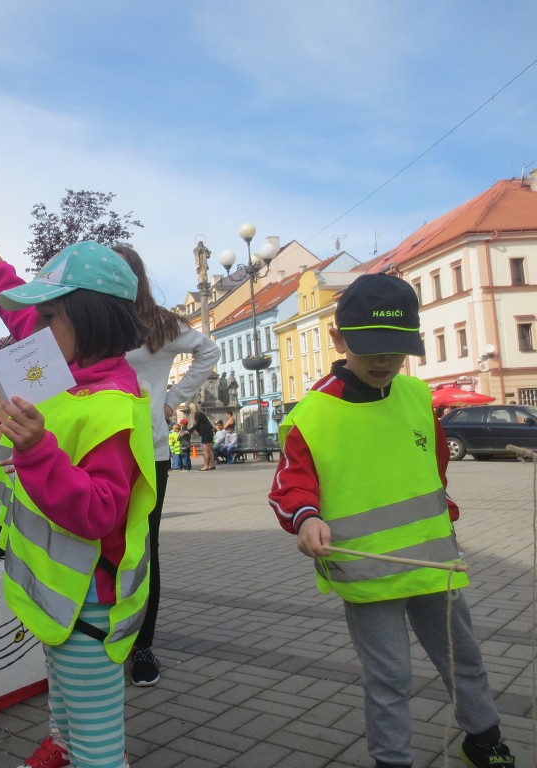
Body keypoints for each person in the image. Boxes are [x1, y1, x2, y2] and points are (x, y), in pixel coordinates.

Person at [268, 273, 513, 768]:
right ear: (338, 339)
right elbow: (289, 487)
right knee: (389, 679)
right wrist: (305, 518)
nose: (384, 361)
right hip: (367, 574)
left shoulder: (418, 397)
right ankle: (393, 761)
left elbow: (434, 468)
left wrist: (445, 515)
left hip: (432, 563)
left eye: (396, 350)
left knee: (462, 658)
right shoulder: (311, 415)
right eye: (370, 348)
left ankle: (483, 741)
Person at [0, 215, 155, 768]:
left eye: (51, 316)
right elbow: (20, 312)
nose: (34, 330)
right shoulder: (67, 365)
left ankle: (78, 752)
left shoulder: (110, 406)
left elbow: (98, 511)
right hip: (62, 601)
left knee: (100, 747)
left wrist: (37, 450)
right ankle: (61, 745)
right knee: (65, 697)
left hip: (86, 604)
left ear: (87, 321)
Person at [114, 244, 219, 686]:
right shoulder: (92, 321)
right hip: (97, 447)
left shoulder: (157, 322)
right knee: (102, 546)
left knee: (143, 550)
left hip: (149, 450)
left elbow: (208, 352)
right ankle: (100, 639)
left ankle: (143, 647)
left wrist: (171, 400)